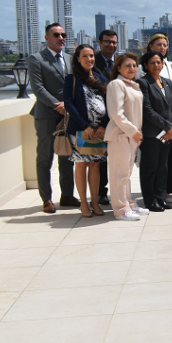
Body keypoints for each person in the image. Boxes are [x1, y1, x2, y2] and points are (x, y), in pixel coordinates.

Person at [28, 23, 78, 214]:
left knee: (66, 157)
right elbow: (38, 88)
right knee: (45, 158)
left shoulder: (69, 58)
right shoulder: (37, 59)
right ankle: (46, 198)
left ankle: (66, 195)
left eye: (63, 35)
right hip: (47, 116)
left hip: (67, 116)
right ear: (47, 37)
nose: (61, 38)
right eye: (56, 35)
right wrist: (58, 105)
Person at [63, 44, 109, 217]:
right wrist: (85, 126)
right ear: (78, 59)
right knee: (81, 165)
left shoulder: (100, 78)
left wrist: (103, 126)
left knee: (95, 166)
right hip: (81, 130)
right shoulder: (72, 79)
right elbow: (69, 104)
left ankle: (95, 202)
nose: (89, 59)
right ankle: (83, 203)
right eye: (85, 56)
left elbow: (108, 104)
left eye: (91, 56)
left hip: (99, 132)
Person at [104, 53, 146, 221]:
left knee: (127, 173)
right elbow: (116, 113)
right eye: (127, 66)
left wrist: (136, 133)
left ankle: (128, 203)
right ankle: (120, 209)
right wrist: (132, 130)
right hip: (121, 134)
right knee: (119, 173)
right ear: (118, 68)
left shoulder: (133, 85)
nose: (132, 69)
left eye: (134, 65)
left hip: (132, 135)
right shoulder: (116, 84)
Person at [137, 51, 172, 212]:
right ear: (146, 65)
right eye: (153, 62)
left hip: (168, 134)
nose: (156, 65)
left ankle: (161, 198)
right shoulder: (143, 83)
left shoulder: (167, 82)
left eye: (159, 62)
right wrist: (167, 127)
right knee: (150, 167)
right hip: (152, 133)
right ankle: (151, 200)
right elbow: (147, 110)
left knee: (163, 167)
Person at [145, 34, 172, 200]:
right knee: (151, 163)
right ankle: (152, 196)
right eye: (159, 44)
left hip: (170, 124)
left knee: (166, 161)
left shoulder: (170, 69)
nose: (162, 48)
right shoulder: (142, 76)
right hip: (153, 126)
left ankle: (164, 190)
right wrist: (166, 125)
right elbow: (147, 106)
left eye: (165, 45)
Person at [92, 30, 119, 204]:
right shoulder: (92, 62)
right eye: (107, 42)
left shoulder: (120, 62)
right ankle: (100, 193)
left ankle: (118, 192)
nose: (111, 45)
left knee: (117, 158)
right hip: (100, 116)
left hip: (118, 117)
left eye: (114, 42)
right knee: (99, 159)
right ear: (99, 43)